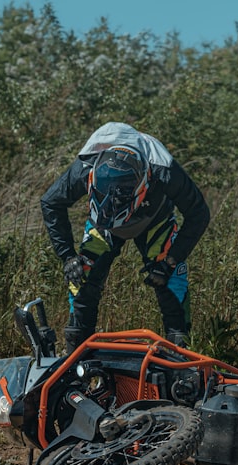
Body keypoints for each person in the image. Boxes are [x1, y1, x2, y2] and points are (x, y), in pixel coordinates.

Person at [40, 122, 211, 354]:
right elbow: (50, 202)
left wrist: (172, 260)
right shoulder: (84, 166)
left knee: (169, 282)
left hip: (154, 220)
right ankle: (76, 359)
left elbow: (199, 212)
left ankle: (182, 362)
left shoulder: (164, 170)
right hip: (102, 225)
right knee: (79, 278)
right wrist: (68, 257)